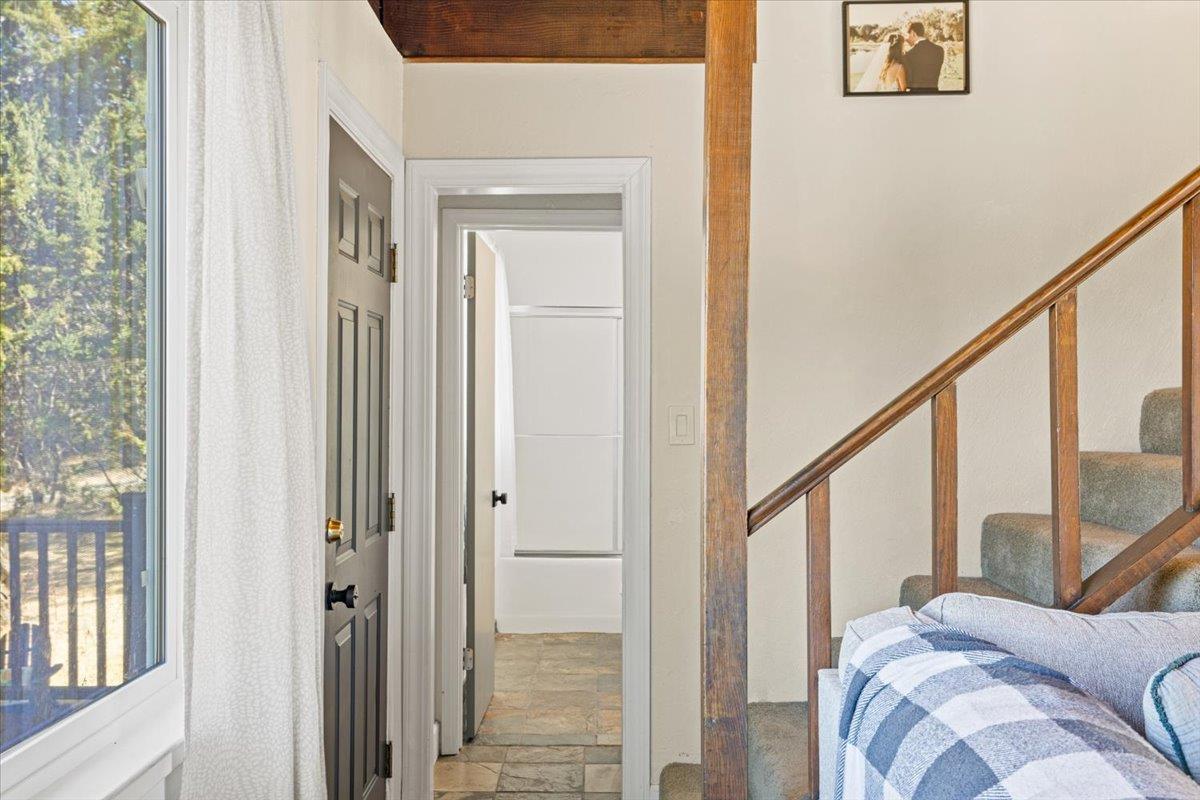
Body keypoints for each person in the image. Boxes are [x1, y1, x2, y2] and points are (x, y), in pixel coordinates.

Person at [901, 20, 945, 92]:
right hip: (934, 93)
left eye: (908, 35)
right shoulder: (939, 50)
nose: (907, 38)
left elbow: (907, 82)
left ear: (913, 33)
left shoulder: (908, 55)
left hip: (916, 95)